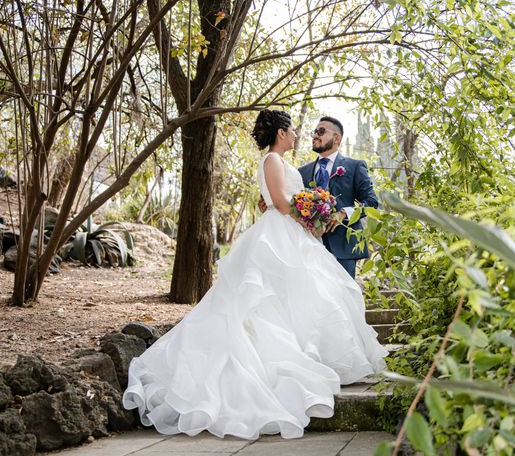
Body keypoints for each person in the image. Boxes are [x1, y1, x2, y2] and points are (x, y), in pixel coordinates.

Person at [122, 109, 387, 440]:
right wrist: (312, 216)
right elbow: (280, 201)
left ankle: (311, 354)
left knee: (303, 296)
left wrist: (310, 213)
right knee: (272, 298)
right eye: (291, 130)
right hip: (282, 233)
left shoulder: (281, 163)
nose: (297, 135)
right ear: (279, 133)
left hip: (291, 233)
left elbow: (279, 199)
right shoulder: (274, 161)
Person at [298, 116, 378, 278]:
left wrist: (344, 213)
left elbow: (371, 202)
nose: (315, 135)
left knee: (344, 299)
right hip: (309, 246)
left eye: (321, 131)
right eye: (314, 132)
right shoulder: (302, 172)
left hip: (343, 246)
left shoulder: (354, 166)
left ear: (336, 138)